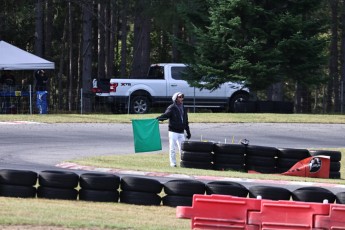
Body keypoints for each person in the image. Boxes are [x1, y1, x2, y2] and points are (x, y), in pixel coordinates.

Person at [156, 92, 191, 167]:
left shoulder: (184, 108)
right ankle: (173, 163)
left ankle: (183, 163)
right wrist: (158, 118)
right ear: (176, 98)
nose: (182, 98)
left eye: (182, 97)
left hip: (181, 132)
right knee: (172, 148)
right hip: (173, 131)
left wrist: (188, 132)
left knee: (183, 149)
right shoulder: (171, 107)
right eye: (180, 97)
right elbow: (166, 115)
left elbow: (186, 121)